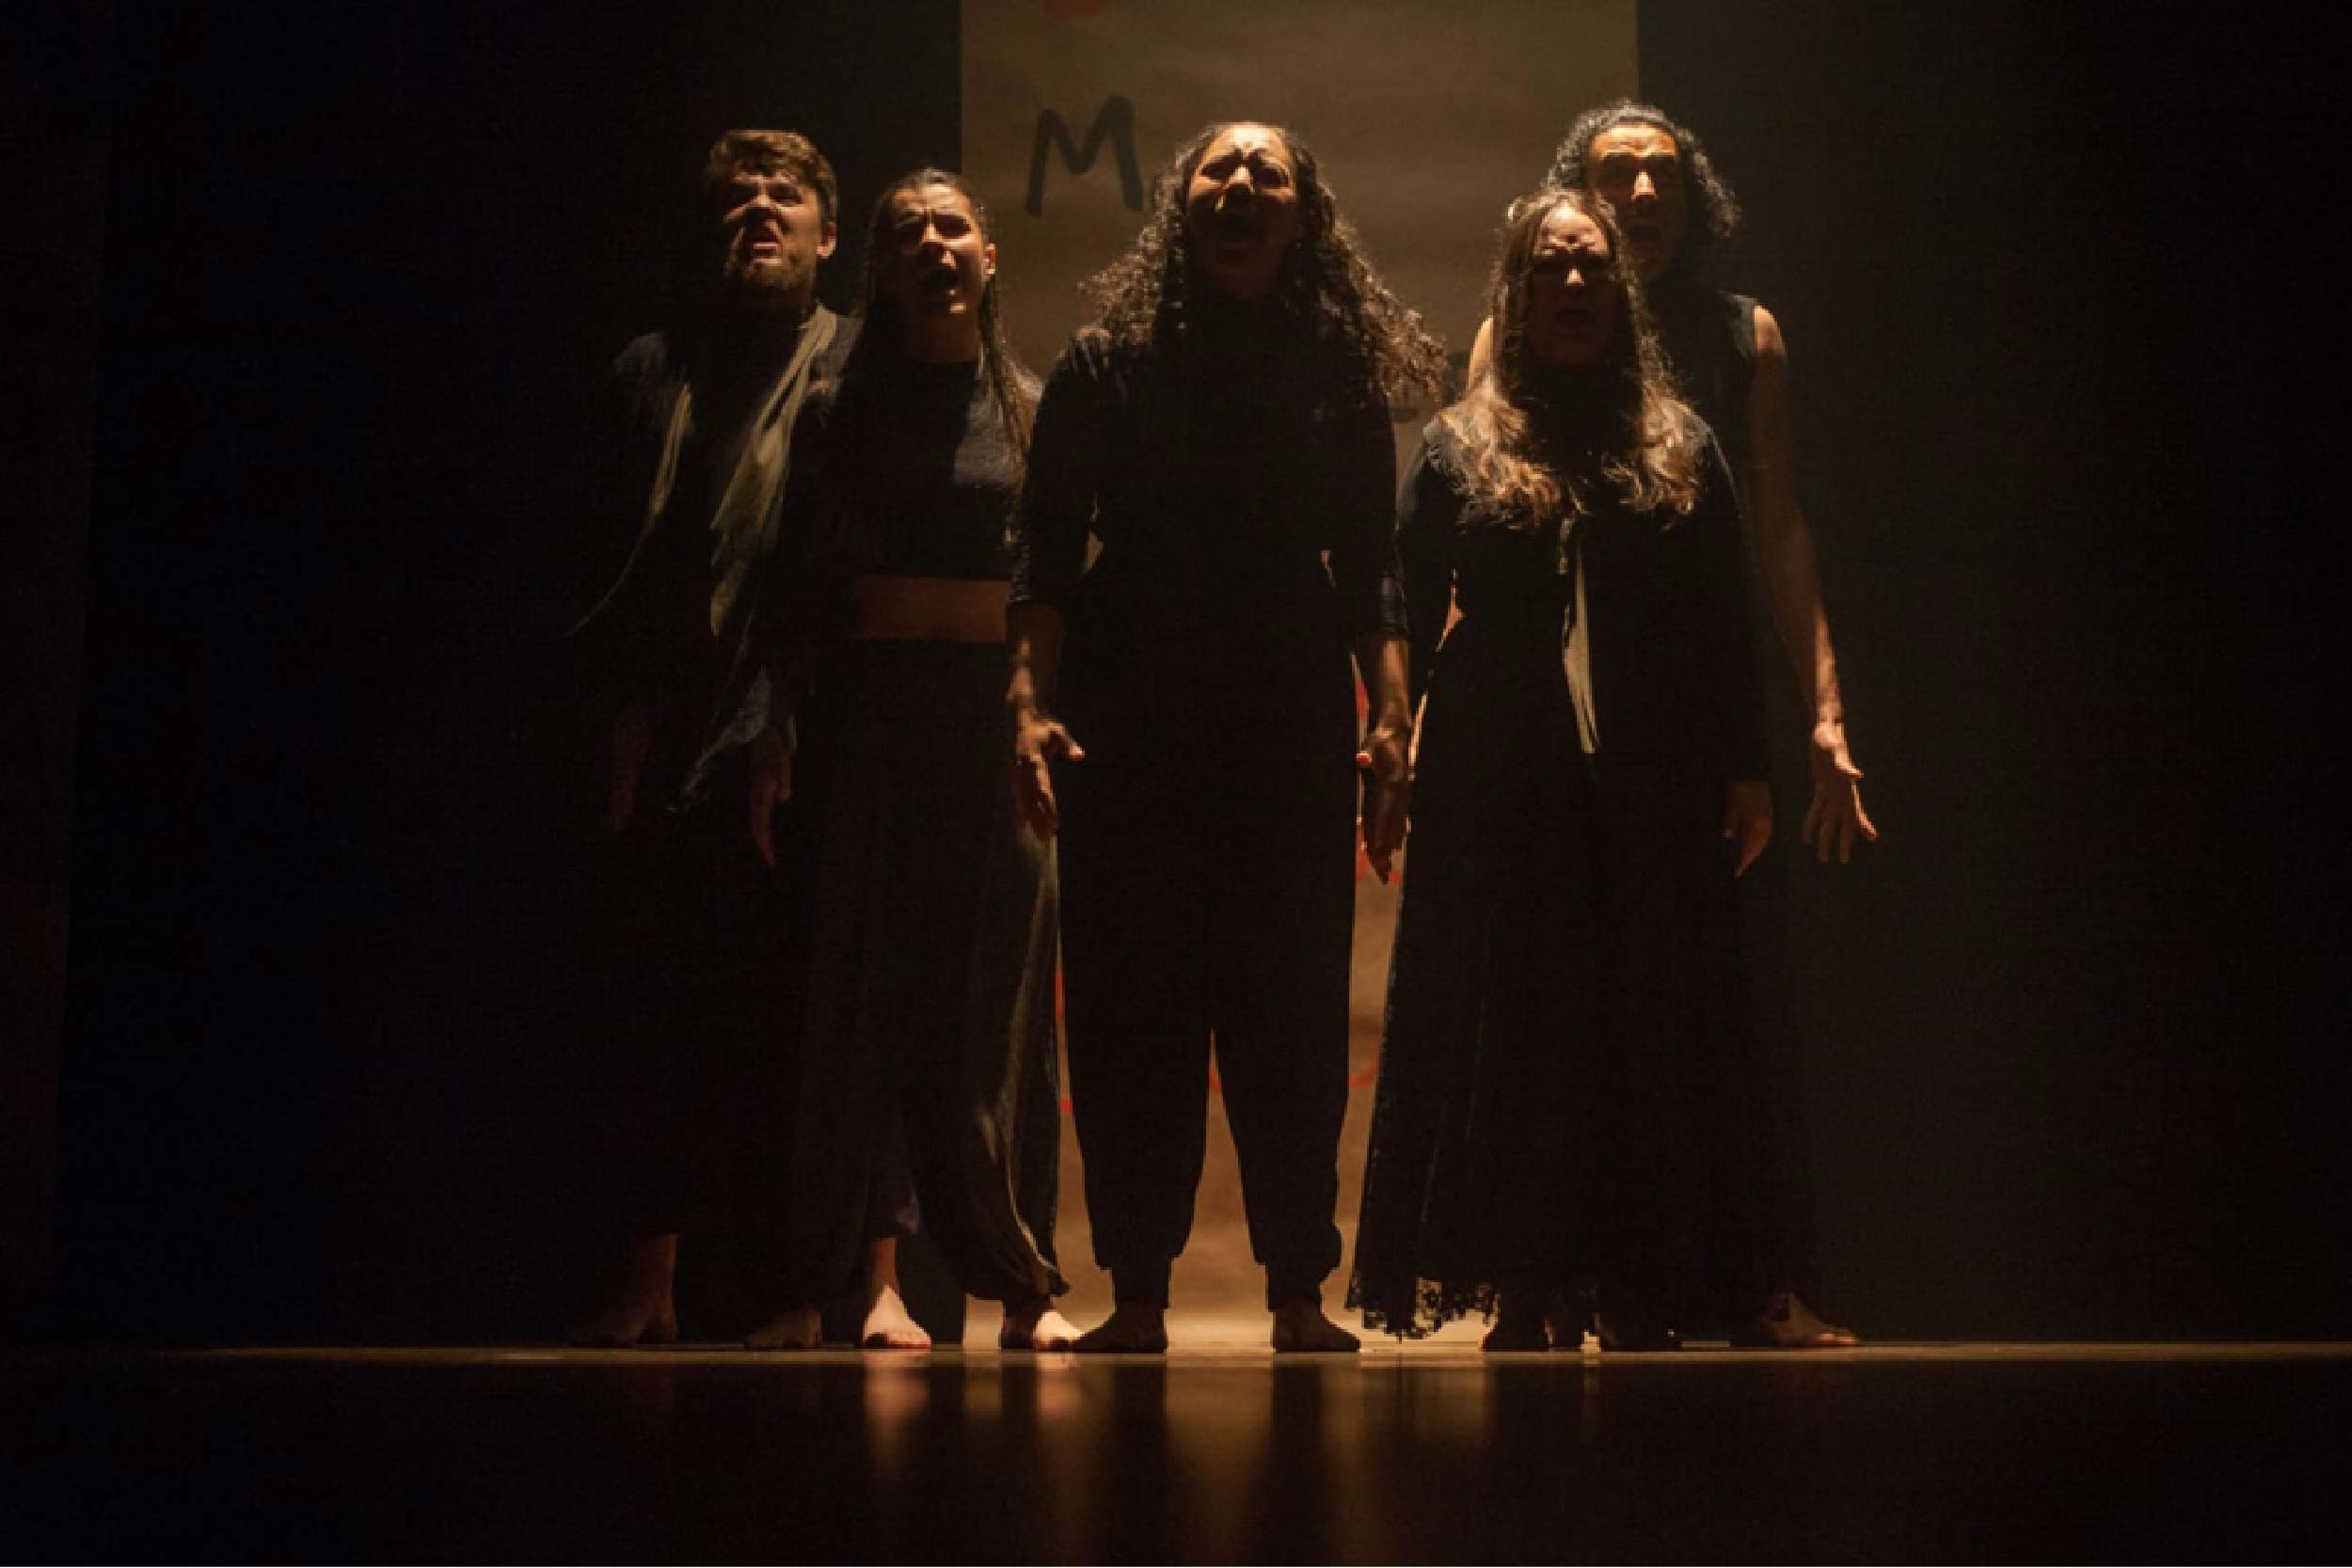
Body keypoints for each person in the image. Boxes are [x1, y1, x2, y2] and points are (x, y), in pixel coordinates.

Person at [1008, 120, 1444, 1354]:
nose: (1242, 185)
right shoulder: (1106, 361)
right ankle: (1138, 1289)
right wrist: (1027, 704)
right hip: (1128, 707)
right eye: (1220, 169)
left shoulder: (1332, 371)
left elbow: (1372, 564)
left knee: (1290, 1004)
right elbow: (1045, 550)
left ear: (1302, 218)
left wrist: (1393, 720)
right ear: (1182, 203)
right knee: (1128, 999)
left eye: (1269, 175)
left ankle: (1299, 1288)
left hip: (1284, 708)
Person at [1350, 186, 1775, 1349]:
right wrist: (1391, 750)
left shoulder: (1677, 442)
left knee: (1638, 1018)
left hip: (1650, 772)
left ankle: (1637, 1276)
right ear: (1519, 292)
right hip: (1503, 766)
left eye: (1591, 266)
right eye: (1551, 267)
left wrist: (1747, 769)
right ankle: (1527, 1279)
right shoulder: (1462, 441)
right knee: (1520, 1020)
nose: (1574, 283)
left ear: (1619, 293)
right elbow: (1401, 595)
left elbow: (1722, 620)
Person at [1471, 103, 1867, 1346]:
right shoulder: (1516, 331)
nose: (1642, 193)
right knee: (1565, 992)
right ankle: (1563, 1276)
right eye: (1615, 174)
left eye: (1663, 174)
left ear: (1694, 198)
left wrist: (1821, 711)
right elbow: (1477, 510)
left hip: (1699, 702)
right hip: (1562, 705)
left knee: (1716, 1000)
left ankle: (1738, 1276)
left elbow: (1778, 526)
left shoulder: (1742, 335)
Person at [756, 170, 1078, 1352]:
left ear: (989, 255)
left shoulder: (1031, 409)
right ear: (881, 269)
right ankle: (839, 1283)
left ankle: (1022, 1283)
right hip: (871, 720)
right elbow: (797, 584)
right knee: (858, 1000)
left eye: (953, 228)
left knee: (995, 1009)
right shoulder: (840, 409)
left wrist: (1038, 716)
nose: (935, 247)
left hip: (992, 726)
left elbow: (1057, 584)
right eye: (909, 234)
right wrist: (774, 731)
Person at [568, 129, 854, 1347]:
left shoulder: (854, 362)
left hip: (805, 721)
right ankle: (650, 1276)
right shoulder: (653, 369)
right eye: (738, 198)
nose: (759, 211)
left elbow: (852, 559)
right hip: (671, 720)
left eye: (784, 195)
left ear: (828, 233)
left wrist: (789, 710)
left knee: (789, 1011)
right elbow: (603, 557)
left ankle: (790, 1285)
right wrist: (618, 711)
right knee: (655, 1006)